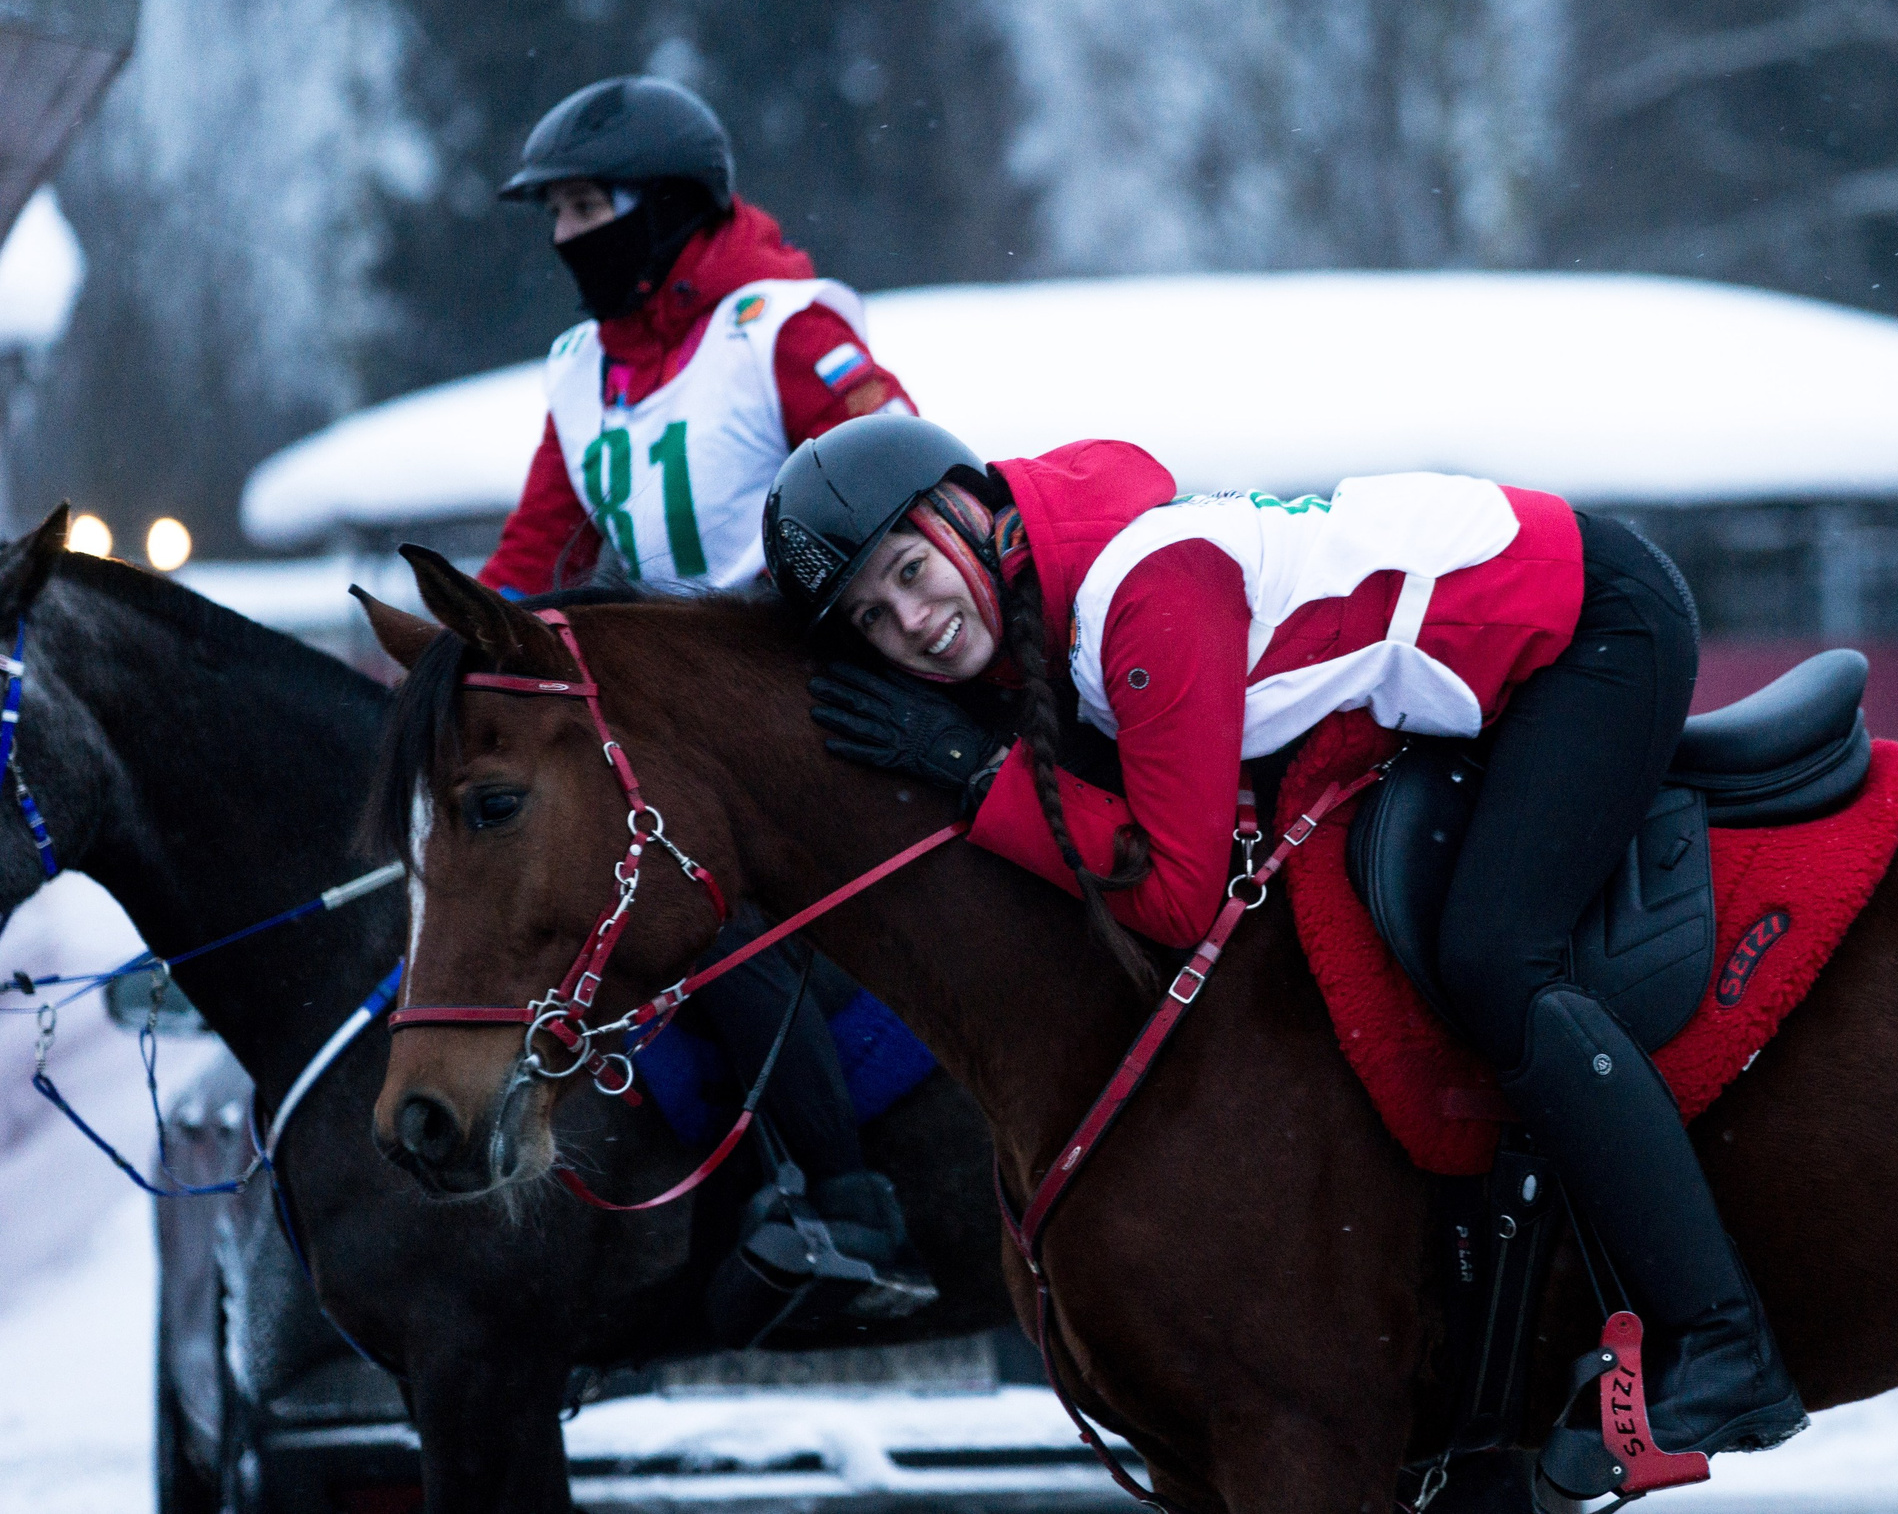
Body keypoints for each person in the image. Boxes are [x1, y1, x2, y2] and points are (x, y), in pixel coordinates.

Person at [761, 416, 1808, 1491]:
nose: (912, 622)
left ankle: (1719, 1339)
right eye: (873, 619)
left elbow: (1175, 896)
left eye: (909, 572)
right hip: (1490, 653)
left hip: (1591, 629)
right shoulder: (1060, 588)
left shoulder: (1138, 598)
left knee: (1498, 958)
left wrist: (975, 777)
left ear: (969, 513)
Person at [483, 75, 934, 1324]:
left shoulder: (781, 331)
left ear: (674, 209)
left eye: (590, 205)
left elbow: (899, 478)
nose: (570, 235)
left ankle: (846, 1199)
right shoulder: (581, 373)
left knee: (693, 908)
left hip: (814, 693)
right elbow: (535, 553)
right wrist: (440, 671)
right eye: (556, 213)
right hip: (670, 718)